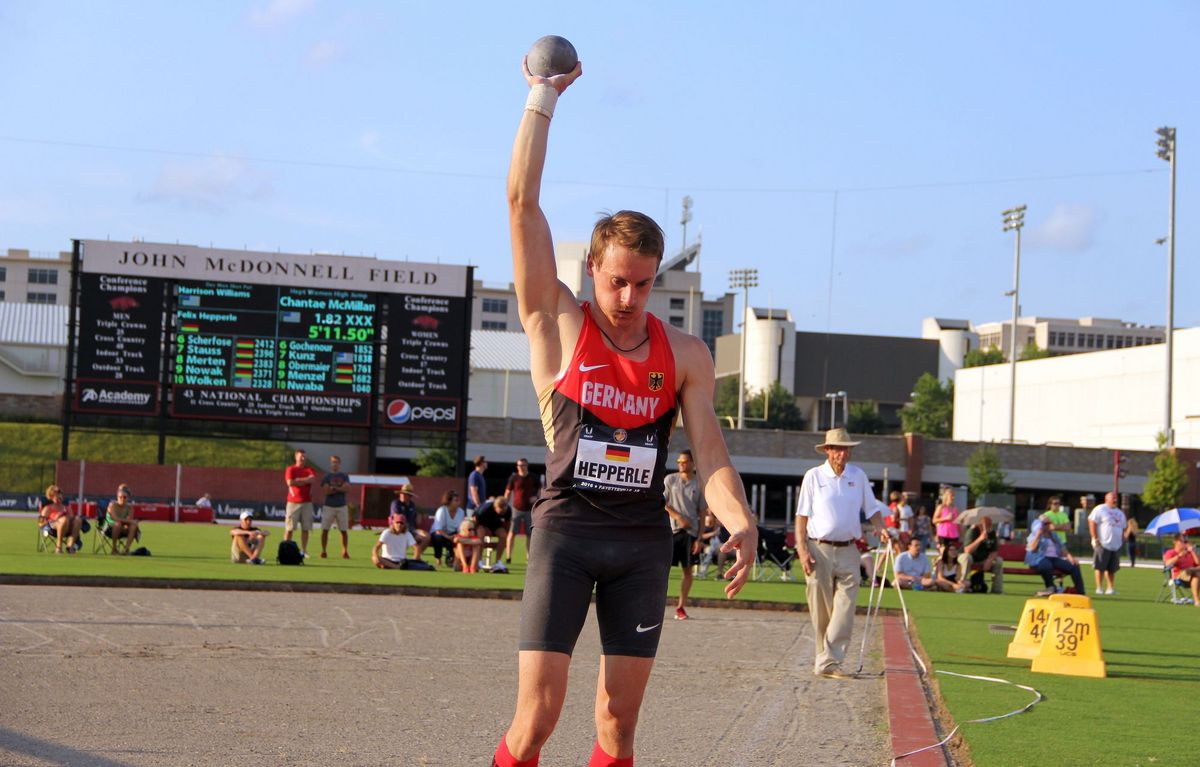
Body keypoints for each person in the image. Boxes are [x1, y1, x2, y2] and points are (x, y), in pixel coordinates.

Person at [493, 57, 758, 767]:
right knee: (536, 718)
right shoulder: (560, 323)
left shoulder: (687, 355)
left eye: (643, 284)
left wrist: (738, 519)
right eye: (617, 282)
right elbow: (522, 204)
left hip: (641, 545)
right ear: (592, 271)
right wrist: (541, 98)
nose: (628, 298)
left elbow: (711, 457)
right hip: (568, 533)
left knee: (618, 725)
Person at [796, 427, 891, 679]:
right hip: (818, 547)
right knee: (821, 608)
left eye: (847, 448)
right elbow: (801, 517)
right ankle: (825, 659)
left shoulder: (858, 476)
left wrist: (881, 528)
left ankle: (829, 661)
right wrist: (802, 549)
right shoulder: (813, 476)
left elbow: (872, 509)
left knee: (845, 606)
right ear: (827, 450)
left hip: (849, 548)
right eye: (838, 448)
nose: (843, 453)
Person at [664, 449, 706, 620]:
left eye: (684, 462)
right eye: (679, 462)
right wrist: (678, 517)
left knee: (687, 571)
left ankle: (681, 606)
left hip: (691, 534)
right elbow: (662, 502)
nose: (681, 464)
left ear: (692, 463)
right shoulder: (670, 480)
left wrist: (700, 538)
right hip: (671, 531)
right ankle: (656, 604)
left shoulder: (699, 484)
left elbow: (702, 513)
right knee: (661, 570)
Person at [1025, 515, 1085, 595]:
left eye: (1048, 523)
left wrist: (1070, 557)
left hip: (1054, 559)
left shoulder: (1054, 535)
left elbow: (1062, 548)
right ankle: (1051, 587)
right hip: (1039, 559)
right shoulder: (1034, 535)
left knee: (1074, 566)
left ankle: (1080, 591)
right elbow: (1032, 548)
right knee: (1046, 565)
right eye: (1045, 524)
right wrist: (1038, 536)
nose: (1047, 525)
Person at [1087, 491, 1129, 595]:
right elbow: (1092, 522)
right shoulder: (1100, 509)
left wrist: (1123, 538)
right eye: (1113, 498)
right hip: (1103, 543)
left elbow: (1123, 528)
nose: (1115, 499)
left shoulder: (1120, 513)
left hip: (1115, 545)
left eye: (1116, 498)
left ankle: (1110, 588)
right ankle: (1099, 587)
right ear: (1107, 499)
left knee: (1112, 568)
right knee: (1100, 566)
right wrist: (1094, 537)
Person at [504, 457, 539, 564]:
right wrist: (504, 504)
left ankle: (529, 556)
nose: (521, 467)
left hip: (529, 509)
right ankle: (508, 556)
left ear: (527, 466)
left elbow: (540, 490)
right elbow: (508, 492)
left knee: (529, 534)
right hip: (516, 508)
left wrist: (536, 497)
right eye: (519, 465)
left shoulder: (533, 477)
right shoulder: (514, 478)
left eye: (523, 465)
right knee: (512, 533)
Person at [958, 515, 1004, 594]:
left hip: (983, 559)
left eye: (990, 523)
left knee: (999, 561)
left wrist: (989, 560)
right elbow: (967, 550)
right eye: (987, 524)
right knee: (967, 557)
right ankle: (962, 585)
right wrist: (980, 539)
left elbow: (994, 551)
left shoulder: (992, 533)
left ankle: (997, 589)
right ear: (980, 524)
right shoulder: (972, 531)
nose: (989, 526)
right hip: (969, 558)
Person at [284, 449, 316, 558]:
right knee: (289, 529)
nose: (303, 458)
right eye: (301, 456)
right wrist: (304, 481)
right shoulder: (290, 469)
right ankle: (285, 549)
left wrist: (299, 480)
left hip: (307, 503)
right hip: (293, 502)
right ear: (296, 457)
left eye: (304, 456)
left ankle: (304, 550)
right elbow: (290, 482)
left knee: (306, 528)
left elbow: (312, 479)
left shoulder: (309, 469)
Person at [319, 455, 351, 559]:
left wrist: (333, 488)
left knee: (344, 530)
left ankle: (345, 551)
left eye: (336, 462)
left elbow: (347, 489)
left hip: (341, 506)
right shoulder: (326, 476)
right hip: (329, 506)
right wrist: (339, 488)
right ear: (330, 463)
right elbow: (326, 491)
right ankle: (323, 551)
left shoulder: (344, 476)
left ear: (339, 463)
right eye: (333, 462)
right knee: (325, 529)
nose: (334, 464)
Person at [389, 484, 429, 559]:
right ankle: (417, 558)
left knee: (426, 536)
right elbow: (397, 518)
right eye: (402, 493)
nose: (403, 495)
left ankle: (416, 556)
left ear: (410, 496)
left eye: (406, 494)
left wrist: (419, 517)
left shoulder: (412, 505)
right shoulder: (396, 504)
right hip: (401, 529)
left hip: (412, 529)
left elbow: (415, 520)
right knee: (418, 538)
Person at [38, 484, 81, 554]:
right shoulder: (48, 508)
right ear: (51, 497)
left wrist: (67, 515)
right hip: (52, 528)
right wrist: (56, 518)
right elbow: (40, 524)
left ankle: (70, 546)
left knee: (78, 520)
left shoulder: (66, 507)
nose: (59, 497)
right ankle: (58, 547)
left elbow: (72, 518)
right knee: (63, 520)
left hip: (67, 527)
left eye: (60, 495)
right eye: (56, 496)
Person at [430, 490, 465, 567]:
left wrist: (456, 536)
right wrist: (448, 537)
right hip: (439, 533)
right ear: (449, 501)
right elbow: (438, 530)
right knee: (438, 538)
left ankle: (452, 559)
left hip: (453, 534)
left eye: (459, 501)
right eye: (456, 501)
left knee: (459, 539)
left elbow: (461, 528)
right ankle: (438, 557)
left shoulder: (461, 512)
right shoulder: (441, 510)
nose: (458, 503)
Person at [1163, 535, 1200, 607]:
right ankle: (1197, 600)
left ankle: (1197, 601)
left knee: (1196, 575)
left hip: (1194, 574)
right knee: (1195, 572)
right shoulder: (1171, 552)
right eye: (1182, 541)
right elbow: (1167, 564)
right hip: (1179, 576)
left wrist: (1192, 551)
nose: (1184, 543)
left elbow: (1198, 563)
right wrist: (1179, 556)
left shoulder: (1190, 553)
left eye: (1185, 541)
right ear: (1175, 542)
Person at [475, 495, 512, 567]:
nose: (503, 512)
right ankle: (479, 560)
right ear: (495, 507)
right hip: (482, 524)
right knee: (481, 534)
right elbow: (476, 521)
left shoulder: (508, 510)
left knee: (503, 535)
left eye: (504, 510)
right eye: (501, 511)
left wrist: (506, 537)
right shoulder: (486, 509)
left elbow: (507, 523)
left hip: (496, 525)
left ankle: (498, 561)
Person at [105, 487, 140, 555]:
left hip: (122, 528)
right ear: (117, 497)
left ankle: (126, 549)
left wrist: (130, 523)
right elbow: (115, 518)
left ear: (128, 498)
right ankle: (114, 549)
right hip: (109, 528)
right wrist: (130, 521)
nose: (122, 499)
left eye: (124, 497)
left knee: (133, 525)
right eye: (120, 497)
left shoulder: (130, 508)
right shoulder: (113, 505)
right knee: (118, 524)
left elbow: (129, 520)